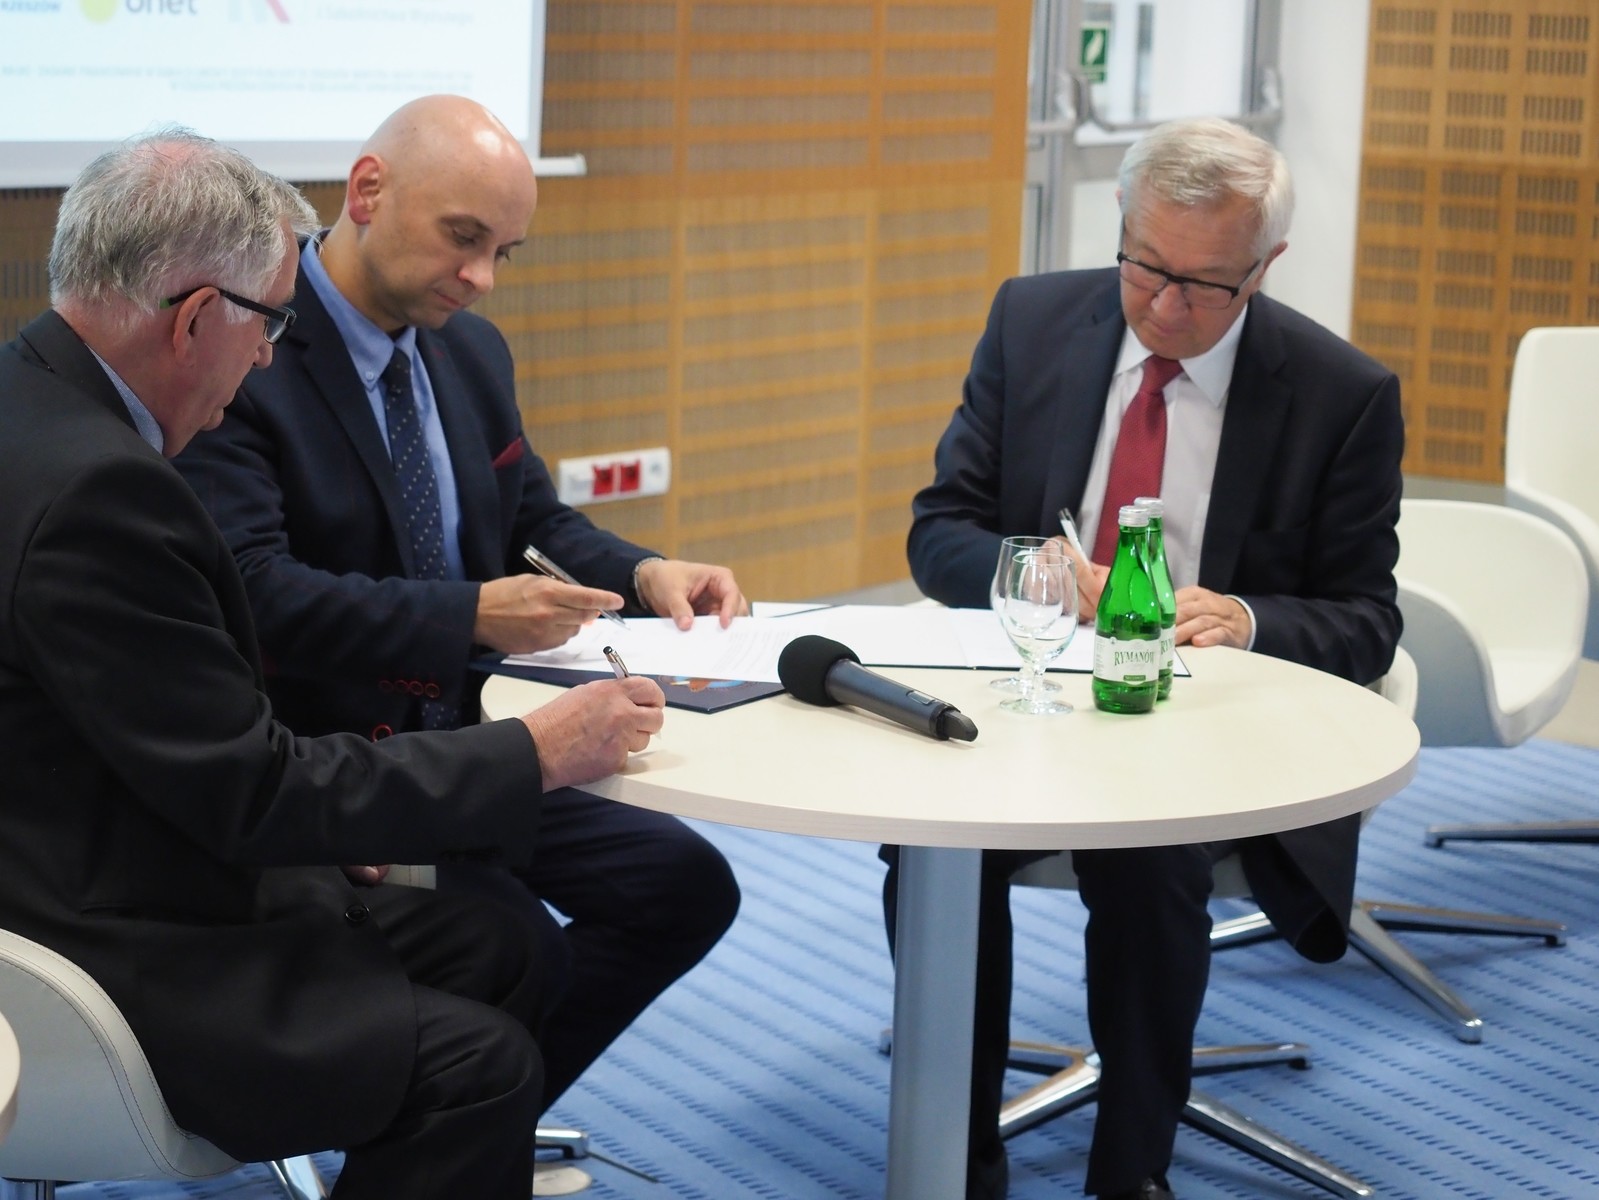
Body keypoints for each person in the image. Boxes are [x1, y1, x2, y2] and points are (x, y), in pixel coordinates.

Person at [0, 131, 668, 1198]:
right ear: (196, 319)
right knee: (485, 1070)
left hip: (95, 851)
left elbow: (160, 738)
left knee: (508, 952)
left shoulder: (29, 400)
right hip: (99, 941)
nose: (268, 357)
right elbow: (251, 789)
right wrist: (531, 753)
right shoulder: (104, 496)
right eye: (267, 324)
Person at [175, 94, 744, 1114]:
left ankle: (464, 1126)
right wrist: (470, 615)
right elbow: (253, 594)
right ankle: (456, 1125)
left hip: (478, 730)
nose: (480, 277)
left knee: (685, 888)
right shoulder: (251, 346)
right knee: (518, 945)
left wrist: (644, 572)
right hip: (334, 763)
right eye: (463, 238)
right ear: (366, 192)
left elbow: (529, 517)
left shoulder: (469, 350)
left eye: (502, 253)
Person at [889, 117, 1403, 1200]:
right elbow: (939, 532)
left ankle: (1131, 1171)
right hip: (1033, 705)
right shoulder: (1032, 322)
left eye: (1206, 285)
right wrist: (1030, 569)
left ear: (1264, 265)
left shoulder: (1340, 393)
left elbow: (1365, 619)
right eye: (1145, 267)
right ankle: (957, 1157)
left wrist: (1247, 618)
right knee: (932, 849)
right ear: (1121, 227)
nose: (1166, 307)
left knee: (1148, 863)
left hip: (1210, 730)